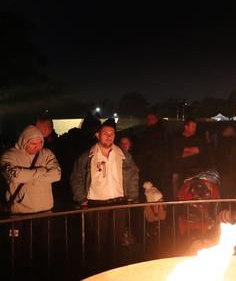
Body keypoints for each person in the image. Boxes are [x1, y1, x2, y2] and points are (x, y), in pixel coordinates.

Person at [69, 122, 140, 271]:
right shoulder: (87, 156)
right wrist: (81, 199)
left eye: (112, 133)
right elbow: (76, 177)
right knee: (97, 243)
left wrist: (131, 196)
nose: (109, 136)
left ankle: (116, 272)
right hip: (95, 204)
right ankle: (99, 272)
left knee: (117, 242)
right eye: (105, 133)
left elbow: (134, 173)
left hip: (119, 202)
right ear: (97, 135)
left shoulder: (123, 155)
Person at [1, 125, 61, 214]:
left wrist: (26, 176)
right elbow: (15, 177)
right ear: (24, 142)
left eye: (40, 143)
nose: (38, 147)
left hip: (46, 211)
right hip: (20, 212)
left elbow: (56, 175)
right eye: (33, 144)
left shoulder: (47, 154)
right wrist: (42, 171)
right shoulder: (8, 156)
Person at [134, 111, 171, 199]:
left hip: (159, 168)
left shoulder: (162, 132)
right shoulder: (144, 133)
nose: (150, 121)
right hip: (147, 168)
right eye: (148, 119)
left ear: (156, 119)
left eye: (152, 119)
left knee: (160, 192)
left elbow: (164, 150)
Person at [170, 118, 209, 198]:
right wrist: (192, 151)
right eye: (192, 126)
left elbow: (199, 150)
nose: (194, 129)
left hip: (193, 172)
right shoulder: (177, 138)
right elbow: (177, 154)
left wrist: (185, 150)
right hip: (178, 171)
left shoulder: (197, 138)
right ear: (186, 127)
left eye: (195, 127)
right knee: (177, 195)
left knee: (191, 195)